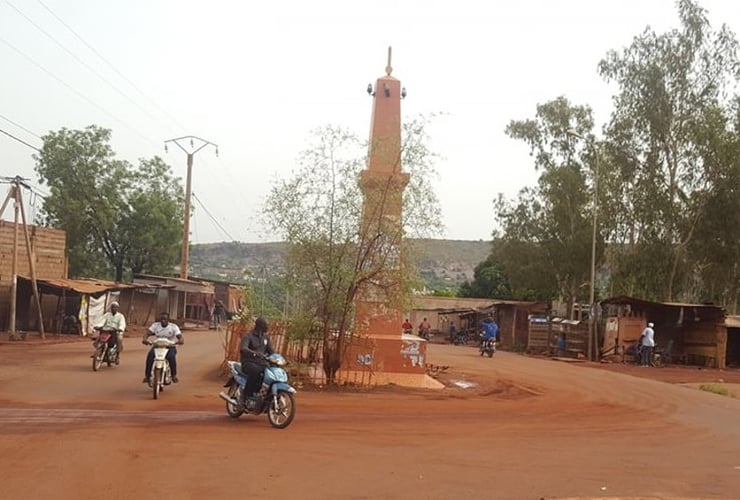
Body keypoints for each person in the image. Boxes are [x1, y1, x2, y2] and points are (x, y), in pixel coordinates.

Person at [239, 316, 275, 410]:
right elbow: (243, 348)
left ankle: (266, 395)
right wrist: (254, 353)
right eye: (266, 325)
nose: (267, 327)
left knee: (272, 373)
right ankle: (246, 396)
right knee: (255, 371)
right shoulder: (248, 336)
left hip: (261, 363)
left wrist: (278, 358)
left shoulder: (265, 337)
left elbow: (271, 351)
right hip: (248, 362)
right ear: (259, 326)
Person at [142, 312, 184, 384]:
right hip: (157, 346)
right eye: (161, 319)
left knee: (171, 357)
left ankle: (174, 375)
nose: (163, 321)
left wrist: (180, 341)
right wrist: (145, 339)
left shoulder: (173, 327)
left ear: (168, 319)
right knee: (150, 356)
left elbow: (180, 336)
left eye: (165, 319)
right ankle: (147, 376)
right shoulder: (155, 325)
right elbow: (147, 333)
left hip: (170, 346)